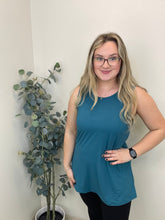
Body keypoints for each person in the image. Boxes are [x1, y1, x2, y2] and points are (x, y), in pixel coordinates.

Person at [63, 32, 165, 220]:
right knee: (94, 216)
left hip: (113, 178)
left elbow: (160, 129)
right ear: (91, 61)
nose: (105, 64)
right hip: (84, 173)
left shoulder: (135, 95)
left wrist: (131, 152)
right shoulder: (79, 93)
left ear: (121, 61)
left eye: (112, 58)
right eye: (99, 58)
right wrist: (67, 164)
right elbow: (70, 131)